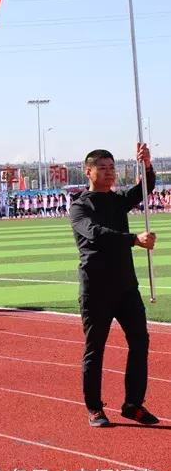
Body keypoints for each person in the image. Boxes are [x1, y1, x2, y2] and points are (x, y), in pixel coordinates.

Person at [69, 144, 158, 427]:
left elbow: (145, 189)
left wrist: (147, 165)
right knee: (95, 348)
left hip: (126, 287)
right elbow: (95, 233)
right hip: (96, 288)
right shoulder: (80, 206)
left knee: (140, 341)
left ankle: (133, 404)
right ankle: (94, 407)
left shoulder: (117, 201)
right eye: (102, 168)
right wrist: (133, 239)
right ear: (88, 171)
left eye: (112, 168)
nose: (109, 173)